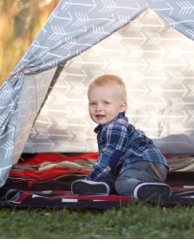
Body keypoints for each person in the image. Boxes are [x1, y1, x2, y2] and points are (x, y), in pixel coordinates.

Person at [71, 74, 172, 202]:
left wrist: (92, 178)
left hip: (146, 164)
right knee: (114, 177)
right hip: (148, 166)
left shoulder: (115, 127)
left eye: (106, 103)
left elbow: (110, 157)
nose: (98, 108)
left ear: (122, 107)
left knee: (121, 183)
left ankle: (146, 190)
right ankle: (102, 186)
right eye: (93, 103)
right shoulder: (111, 126)